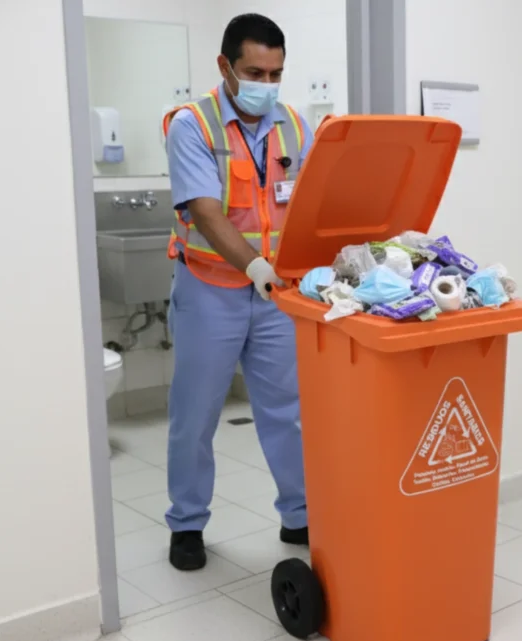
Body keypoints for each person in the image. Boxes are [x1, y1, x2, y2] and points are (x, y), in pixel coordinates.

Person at [161, 13, 313, 571]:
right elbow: (203, 211)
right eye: (255, 72)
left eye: (276, 74)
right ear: (225, 66)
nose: (266, 85)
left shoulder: (295, 126)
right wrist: (254, 267)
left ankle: (299, 514)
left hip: (276, 294)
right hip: (210, 289)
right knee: (195, 414)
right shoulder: (192, 126)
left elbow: (313, 202)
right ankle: (187, 523)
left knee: (287, 410)